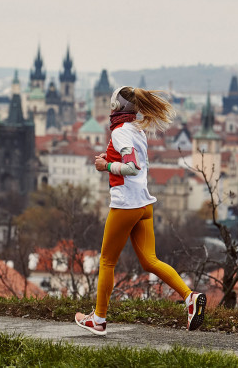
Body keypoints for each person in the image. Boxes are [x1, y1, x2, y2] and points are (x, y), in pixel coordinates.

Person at [74, 86, 206, 336]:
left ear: (116, 108)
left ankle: (99, 319)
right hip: (144, 204)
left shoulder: (121, 131)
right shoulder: (136, 129)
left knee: (106, 261)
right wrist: (111, 157)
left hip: (126, 204)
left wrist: (106, 166)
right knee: (150, 260)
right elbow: (136, 162)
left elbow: (132, 167)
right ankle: (190, 297)